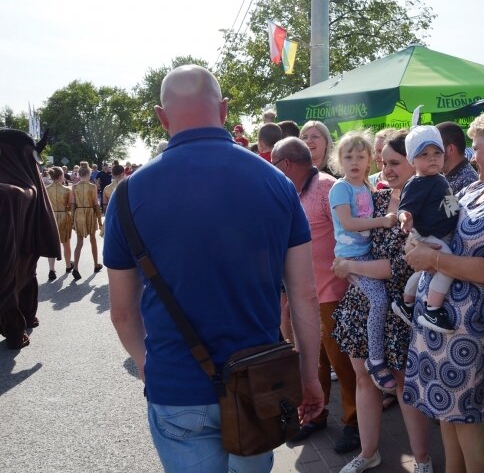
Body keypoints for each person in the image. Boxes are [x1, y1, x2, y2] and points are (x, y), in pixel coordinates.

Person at [104, 65, 323, 472]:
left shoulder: (127, 194)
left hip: (176, 385)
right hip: (260, 381)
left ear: (161, 116)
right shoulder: (277, 184)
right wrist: (309, 376)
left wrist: (149, 367)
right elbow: (304, 295)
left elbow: (122, 312)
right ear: (223, 110)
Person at [404, 107, 484, 472]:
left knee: (466, 418)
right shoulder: (476, 188)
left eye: (475, 146)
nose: (471, 154)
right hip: (437, 320)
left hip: (466, 326)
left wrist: (432, 260)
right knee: (445, 412)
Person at [332, 130, 434, 473]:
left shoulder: (421, 210)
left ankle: (422, 459)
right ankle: (368, 451)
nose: (387, 169)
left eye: (395, 162)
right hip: (363, 302)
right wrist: (344, 263)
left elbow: (401, 267)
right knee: (364, 380)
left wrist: (349, 266)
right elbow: (349, 236)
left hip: (398, 309)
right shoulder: (372, 200)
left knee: (405, 384)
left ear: (413, 163)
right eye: (384, 162)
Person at [270, 137, 360, 454]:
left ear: (288, 164)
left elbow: (349, 235)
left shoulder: (326, 187)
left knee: (343, 363)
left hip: (333, 292)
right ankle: (315, 414)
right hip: (305, 294)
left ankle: (354, 422)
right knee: (314, 360)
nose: (272, 169)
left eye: (274, 163)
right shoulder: (293, 191)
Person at [328, 131, 398, 391]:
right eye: (349, 157)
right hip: (350, 256)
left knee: (381, 300)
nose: (354, 161)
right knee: (379, 300)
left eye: (360, 156)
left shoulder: (367, 186)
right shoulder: (341, 188)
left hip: (366, 255)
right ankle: (375, 359)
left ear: (370, 159)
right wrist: (381, 221)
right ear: (339, 161)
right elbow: (348, 223)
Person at [392, 125, 459, 334]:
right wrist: (406, 218)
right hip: (429, 234)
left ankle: (406, 303)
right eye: (424, 154)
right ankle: (433, 308)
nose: (432, 158)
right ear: (412, 161)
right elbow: (403, 209)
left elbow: (451, 205)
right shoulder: (418, 183)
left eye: (437, 153)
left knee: (424, 272)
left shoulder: (438, 179)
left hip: (441, 232)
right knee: (446, 264)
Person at [0, 129, 60, 349]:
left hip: (19, 251)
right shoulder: (18, 191)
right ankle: (15, 329)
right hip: (15, 253)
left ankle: (25, 316)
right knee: (13, 274)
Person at [70, 164, 103, 280]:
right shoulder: (92, 186)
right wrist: (99, 220)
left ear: (79, 175)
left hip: (79, 213)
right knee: (93, 240)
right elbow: (95, 204)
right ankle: (95, 264)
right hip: (89, 213)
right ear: (89, 174)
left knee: (79, 243)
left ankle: (76, 268)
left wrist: (71, 220)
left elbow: (72, 204)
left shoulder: (74, 187)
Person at [46, 166, 73, 280]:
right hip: (63, 215)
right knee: (66, 243)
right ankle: (68, 266)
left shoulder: (46, 189)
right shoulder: (67, 190)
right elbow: (71, 206)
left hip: (51, 216)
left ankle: (51, 269)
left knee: (51, 243)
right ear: (60, 176)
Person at [437, 121, 478, 195]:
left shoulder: (468, 181)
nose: (431, 156)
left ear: (450, 149)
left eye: (436, 150)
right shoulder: (440, 176)